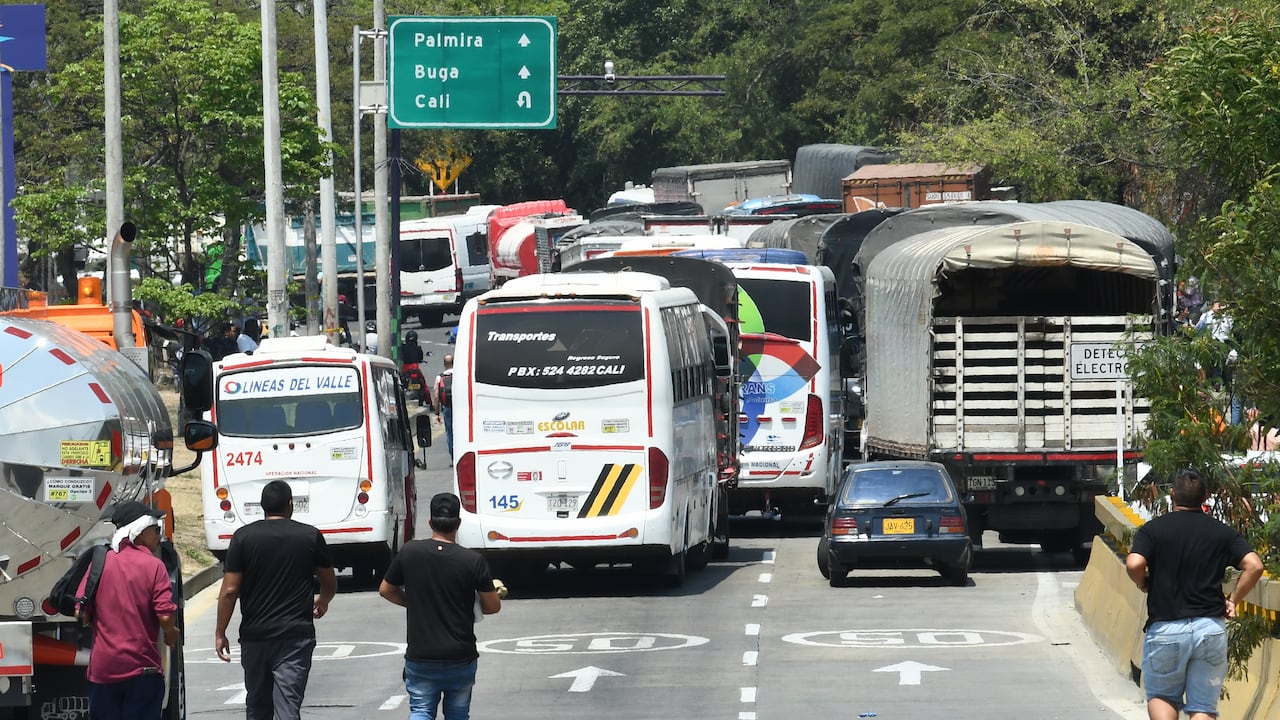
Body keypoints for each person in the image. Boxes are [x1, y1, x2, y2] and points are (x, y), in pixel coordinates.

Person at [1125, 469, 1265, 720]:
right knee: (1203, 706)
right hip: (1209, 628)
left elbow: (1134, 563)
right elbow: (1254, 565)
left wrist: (1143, 582)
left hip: (1166, 627)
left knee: (1162, 696)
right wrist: (1233, 599)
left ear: (1171, 495)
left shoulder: (1154, 530)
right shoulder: (1221, 532)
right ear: (1206, 497)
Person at [215, 480, 337, 720]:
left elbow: (229, 590)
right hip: (295, 636)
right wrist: (323, 600)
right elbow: (329, 580)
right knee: (287, 706)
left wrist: (220, 631)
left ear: (263, 506)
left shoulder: (242, 537)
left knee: (257, 706)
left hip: (255, 636)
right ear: (290, 504)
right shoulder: (309, 535)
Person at [379, 493, 504, 720]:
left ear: (430, 522)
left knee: (421, 711)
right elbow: (493, 606)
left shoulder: (410, 552)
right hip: (460, 655)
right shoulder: (472, 561)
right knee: (457, 714)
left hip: (421, 655)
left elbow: (386, 589)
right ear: (458, 524)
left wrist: (413, 602)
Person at [77, 501, 179, 720]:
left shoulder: (100, 563)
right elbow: (164, 615)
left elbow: (82, 613)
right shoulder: (154, 566)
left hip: (102, 671)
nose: (159, 536)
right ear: (139, 534)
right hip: (142, 670)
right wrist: (171, 633)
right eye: (156, 530)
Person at [435, 354, 455, 462]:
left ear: (444, 364)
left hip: (447, 408)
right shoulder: (460, 374)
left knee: (450, 433)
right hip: (460, 408)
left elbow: (436, 397)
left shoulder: (440, 377)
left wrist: (437, 413)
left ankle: (453, 458)